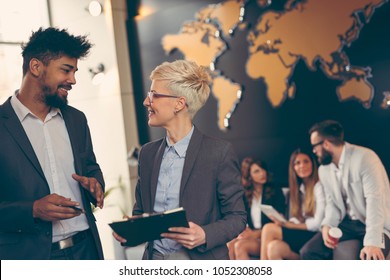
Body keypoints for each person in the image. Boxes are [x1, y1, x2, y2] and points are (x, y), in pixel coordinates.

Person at [113, 60, 247, 260]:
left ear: (179, 103)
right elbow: (141, 212)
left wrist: (204, 234)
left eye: (154, 95)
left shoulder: (218, 152)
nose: (146, 101)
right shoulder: (147, 154)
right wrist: (131, 230)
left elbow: (237, 218)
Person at [0, 27, 105, 260]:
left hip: (86, 250)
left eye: (74, 71)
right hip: (31, 257)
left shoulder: (77, 119)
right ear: (36, 67)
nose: (73, 80)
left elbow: (91, 169)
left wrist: (95, 184)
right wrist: (33, 210)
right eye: (66, 70)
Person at [300, 120, 390, 260]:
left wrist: (372, 242)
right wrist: (327, 225)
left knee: (371, 260)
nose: (313, 151)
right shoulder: (323, 169)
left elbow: (375, 200)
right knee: (308, 252)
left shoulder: (365, 158)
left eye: (314, 146)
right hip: (347, 225)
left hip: (374, 222)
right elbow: (332, 204)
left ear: (326, 144)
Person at [260, 149, 325, 260]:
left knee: (268, 229)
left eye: (306, 161)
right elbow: (299, 218)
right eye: (297, 163)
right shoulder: (299, 189)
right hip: (303, 234)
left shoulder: (319, 187)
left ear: (313, 164)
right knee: (273, 248)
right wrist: (286, 221)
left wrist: (290, 225)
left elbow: (317, 224)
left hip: (316, 236)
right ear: (293, 168)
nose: (302, 166)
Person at [228, 158, 286, 260]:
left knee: (240, 246)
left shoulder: (275, 192)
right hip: (254, 236)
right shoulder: (245, 196)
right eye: (257, 171)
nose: (262, 173)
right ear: (249, 176)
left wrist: (255, 234)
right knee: (230, 245)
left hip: (268, 237)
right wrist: (242, 232)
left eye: (263, 169)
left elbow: (279, 222)